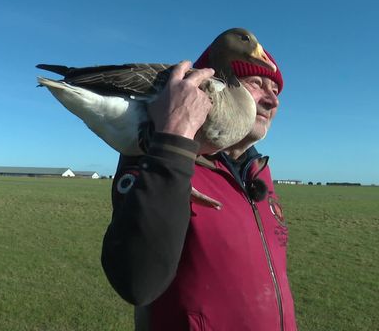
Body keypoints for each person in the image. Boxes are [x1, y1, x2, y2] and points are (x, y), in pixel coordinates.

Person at [101, 46, 298, 330]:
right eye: (257, 83)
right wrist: (175, 135)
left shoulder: (260, 173)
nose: (272, 101)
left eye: (276, 91)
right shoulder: (159, 155)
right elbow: (136, 281)